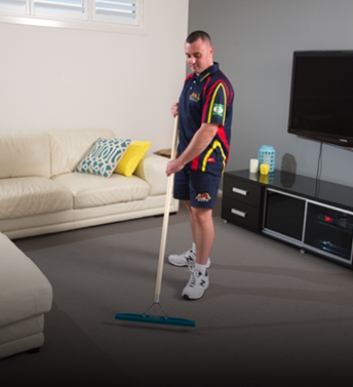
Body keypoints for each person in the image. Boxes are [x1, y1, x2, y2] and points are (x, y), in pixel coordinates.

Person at [166, 30, 234, 300]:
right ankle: (196, 251)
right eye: (187, 55)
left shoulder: (218, 85)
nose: (192, 60)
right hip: (186, 157)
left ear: (210, 51)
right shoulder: (190, 80)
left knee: (203, 213)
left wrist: (178, 162)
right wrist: (179, 108)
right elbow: (192, 111)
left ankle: (202, 272)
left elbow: (208, 130)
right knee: (190, 207)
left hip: (207, 159)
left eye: (196, 54)